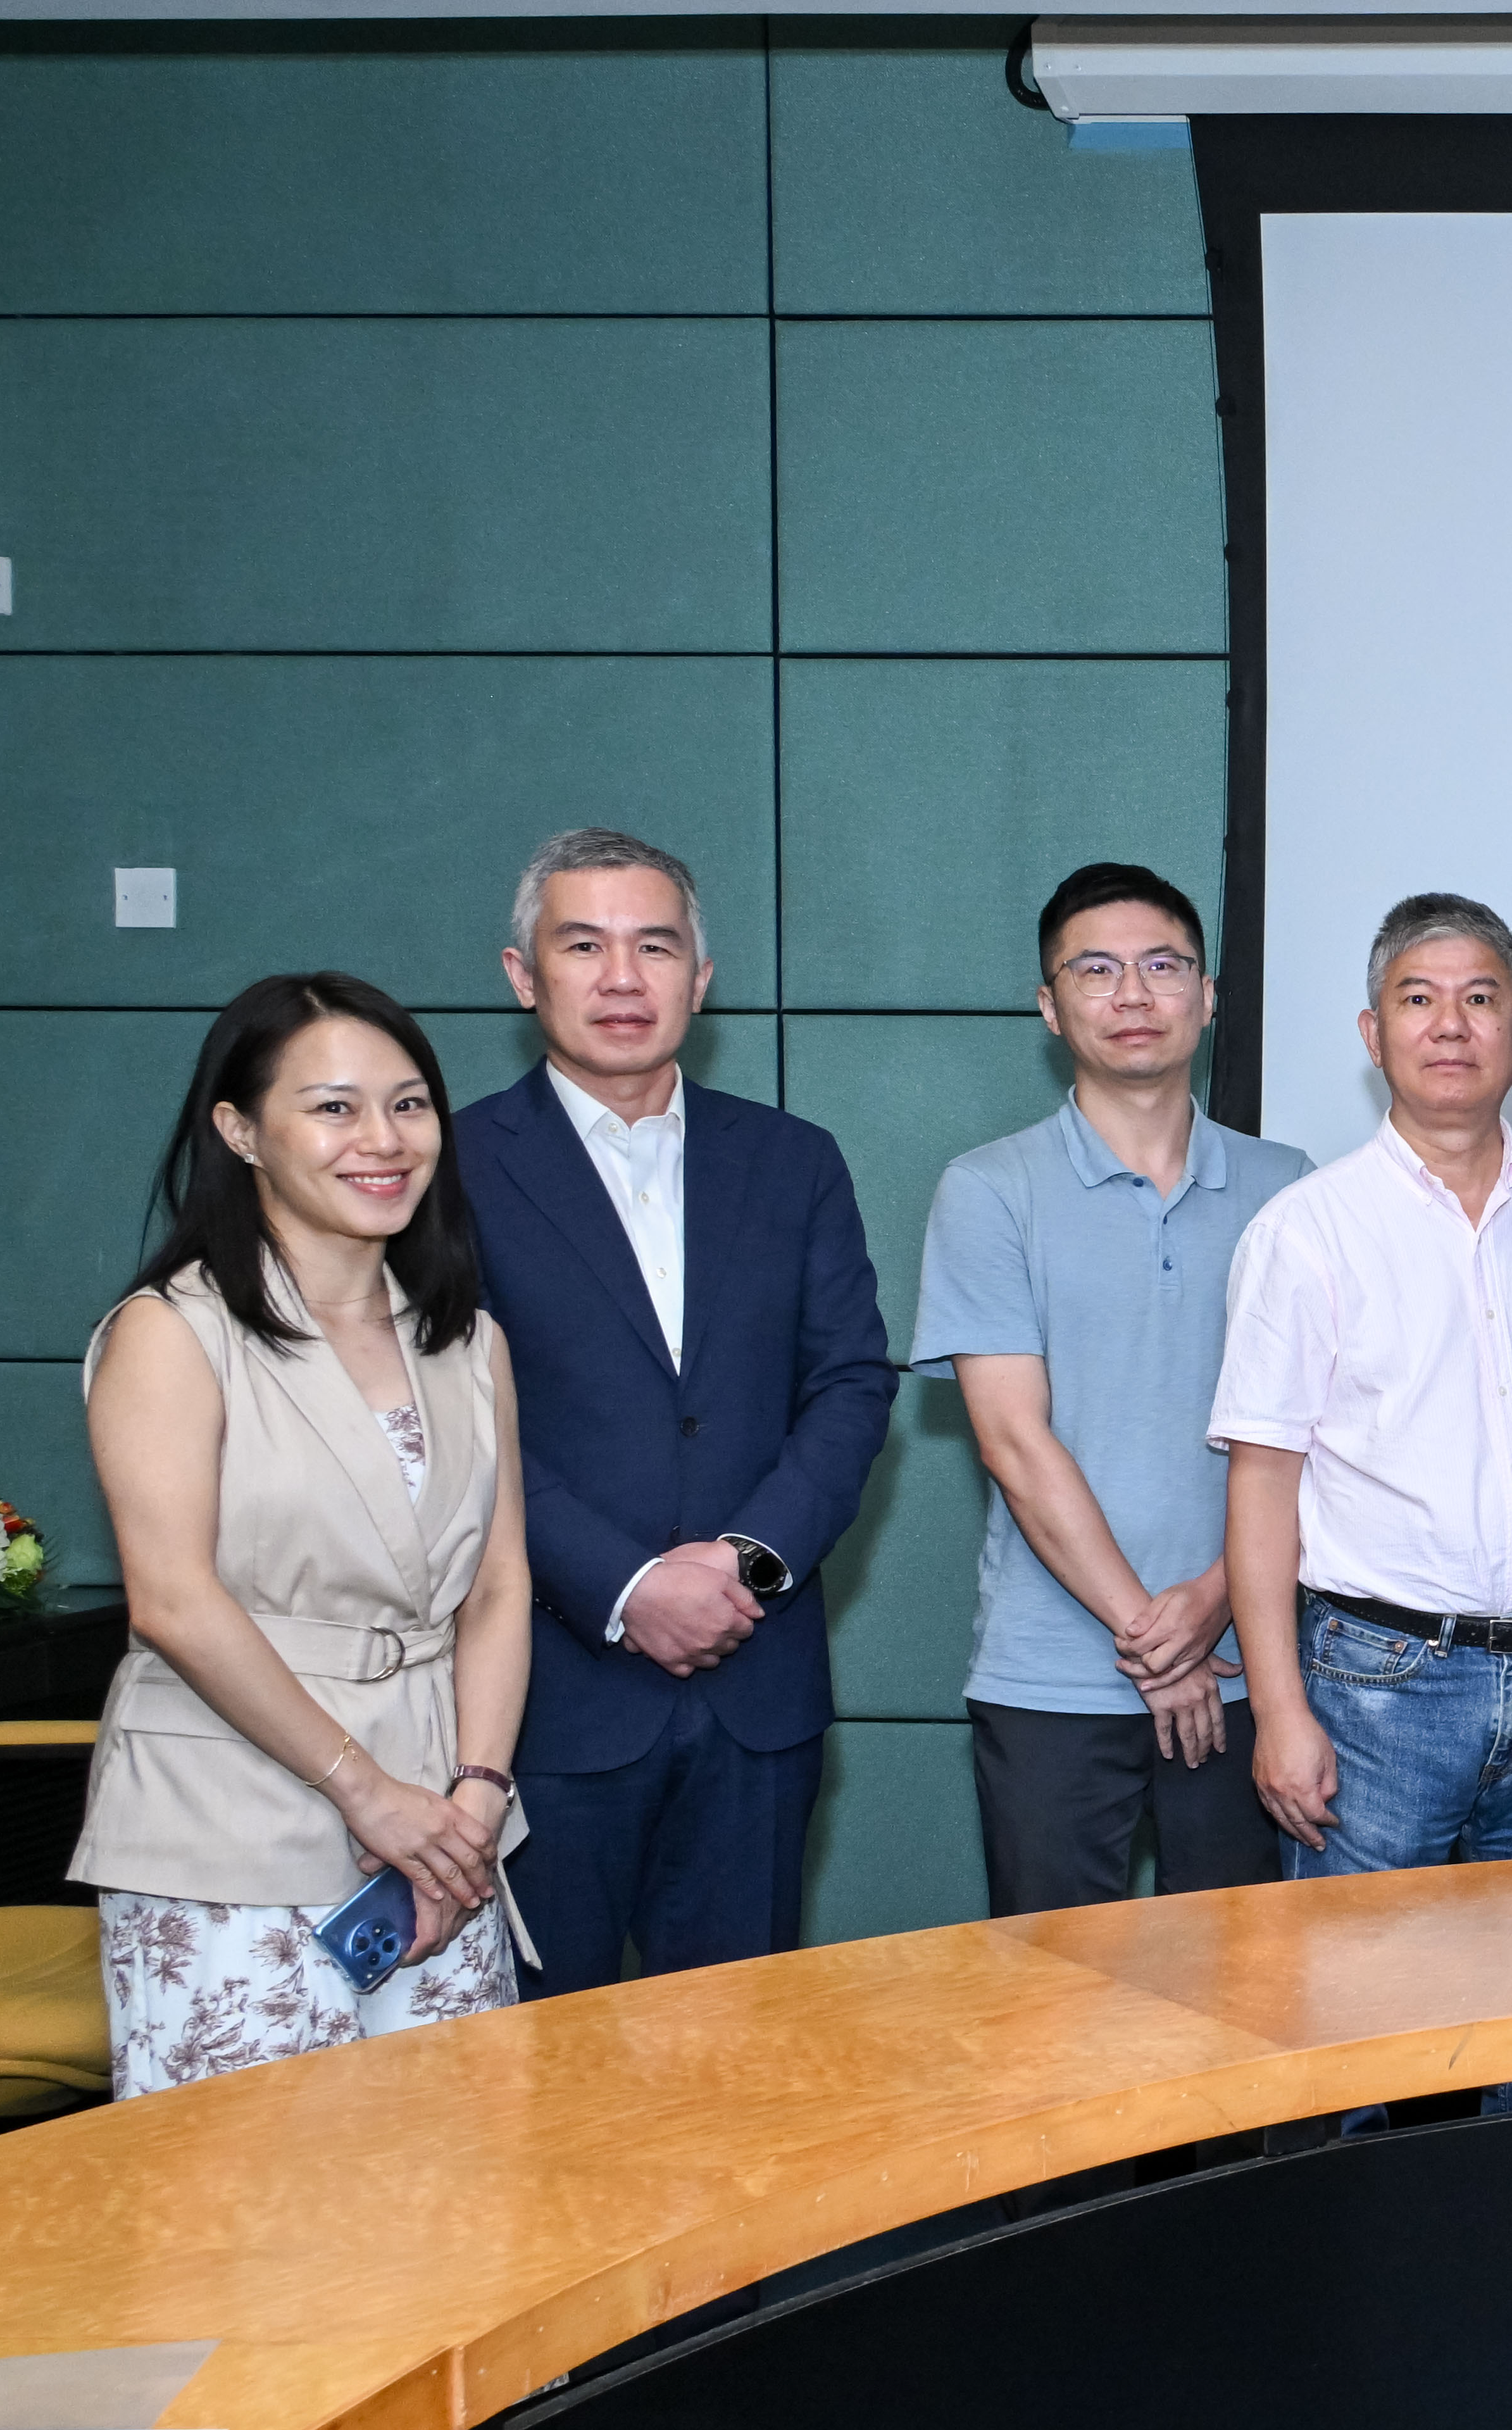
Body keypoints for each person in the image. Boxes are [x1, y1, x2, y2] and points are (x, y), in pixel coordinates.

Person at [78, 975, 528, 2091]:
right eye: (333, 1107)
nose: (382, 1139)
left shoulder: (465, 1341)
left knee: (454, 2192)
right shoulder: (171, 1332)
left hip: (441, 1834)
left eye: (410, 1103)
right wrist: (365, 1792)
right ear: (240, 1131)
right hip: (227, 1820)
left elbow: (500, 1586)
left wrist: (476, 1791)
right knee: (247, 2222)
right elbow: (173, 1601)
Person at [456, 828, 894, 1977]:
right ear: (522, 975)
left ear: (699, 980)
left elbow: (849, 1383)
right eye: (583, 944)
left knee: (738, 2072)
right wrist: (628, 1584)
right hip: (549, 1698)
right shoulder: (448, 1170)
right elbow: (456, 1427)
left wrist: (745, 1566)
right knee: (548, 2079)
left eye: (654, 946)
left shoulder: (794, 1159)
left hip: (759, 1687)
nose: (620, 976)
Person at [1216, 895, 1512, 1874]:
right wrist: (1278, 1711)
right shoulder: (1307, 1230)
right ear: (1373, 1033)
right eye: (1418, 998)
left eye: (1480, 998)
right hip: (1379, 1690)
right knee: (1367, 1998)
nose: (1449, 1023)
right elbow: (1264, 1482)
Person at [912, 863, 1311, 1919]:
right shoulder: (988, 1189)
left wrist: (1214, 1601)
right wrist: (1152, 1636)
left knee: (1246, 2004)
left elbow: (1317, 1439)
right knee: (1057, 2013)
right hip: (1050, 1678)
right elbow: (1012, 1441)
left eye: (1162, 965)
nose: (1133, 995)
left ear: (1209, 992)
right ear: (1050, 1005)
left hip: (1249, 1664)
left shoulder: (1291, 1190)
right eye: (1096, 969)